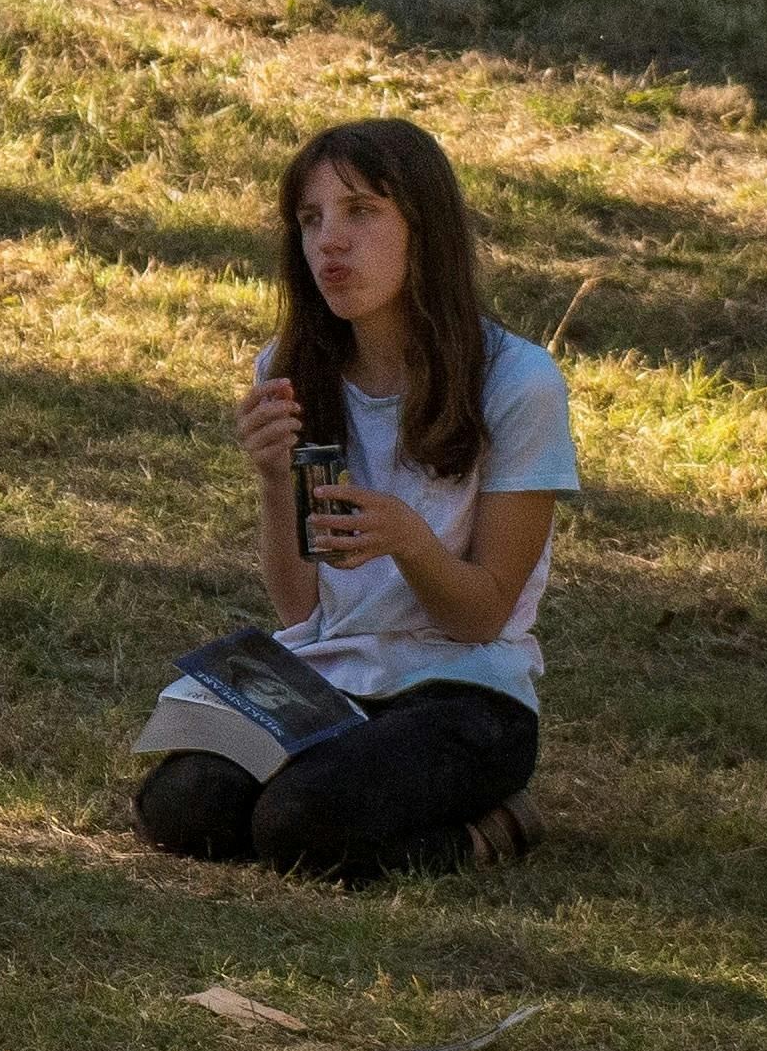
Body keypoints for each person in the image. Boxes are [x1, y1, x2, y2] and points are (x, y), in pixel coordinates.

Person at [138, 119, 574, 882]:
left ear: (424, 228)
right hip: (334, 678)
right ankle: (342, 788)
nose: (329, 243)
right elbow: (300, 606)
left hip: (466, 689)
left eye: (361, 211)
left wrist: (409, 539)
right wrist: (275, 480)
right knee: (182, 806)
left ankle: (494, 826)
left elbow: (482, 613)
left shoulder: (517, 380)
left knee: (305, 824)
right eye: (311, 220)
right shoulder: (291, 366)